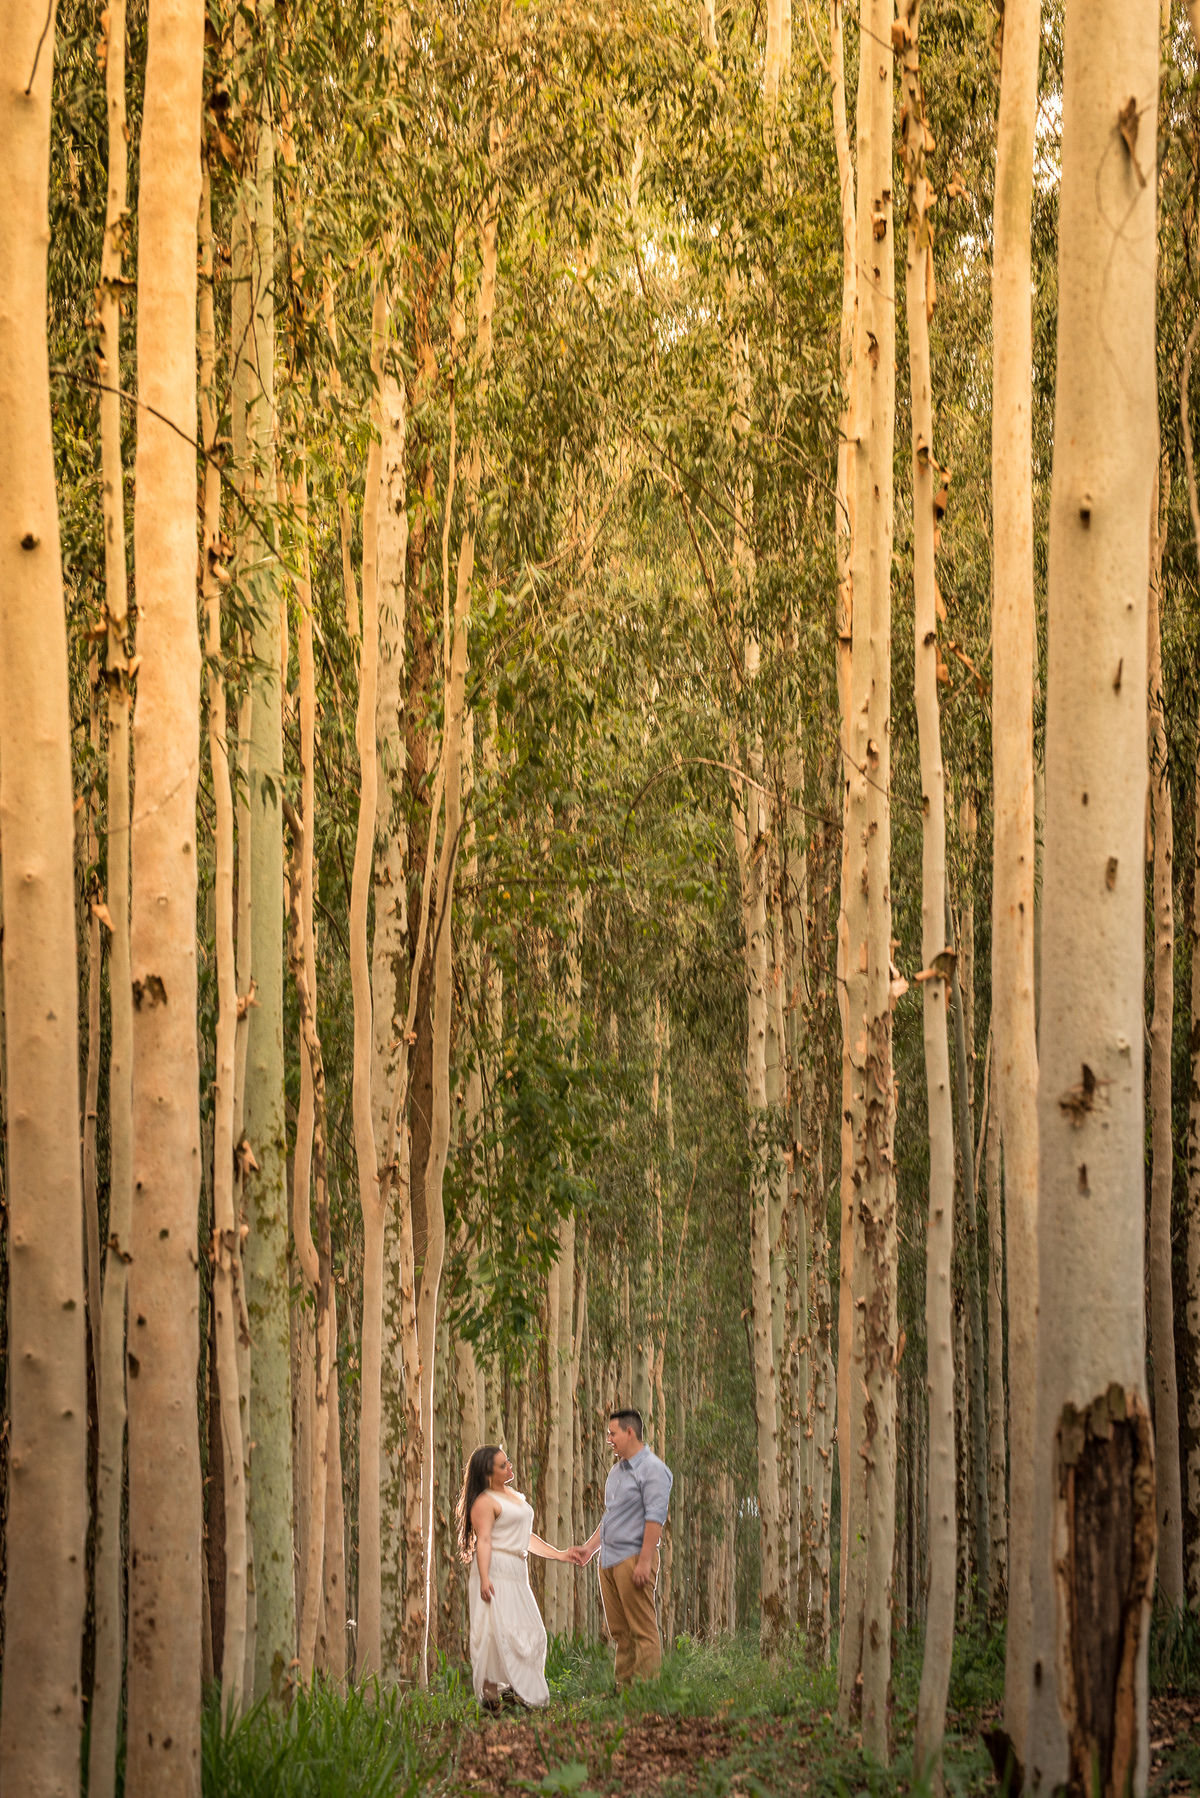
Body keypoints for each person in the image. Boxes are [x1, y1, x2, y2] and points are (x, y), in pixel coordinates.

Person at [457, 1443, 570, 1711]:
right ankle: (492, 1697)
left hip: (517, 1571)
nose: (509, 1467)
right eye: (502, 1465)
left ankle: (516, 1691)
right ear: (488, 1473)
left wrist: (560, 1554)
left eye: (507, 1462)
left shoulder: (514, 1497)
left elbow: (525, 1538)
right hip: (494, 1569)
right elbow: (483, 1540)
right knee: (494, 1632)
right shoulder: (484, 1502)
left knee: (533, 1631)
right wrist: (484, 1578)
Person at [568, 1408, 673, 1687]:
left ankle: (646, 1692)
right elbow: (610, 1516)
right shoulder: (616, 1471)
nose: (609, 1439)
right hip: (609, 1560)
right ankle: (624, 1690)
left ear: (629, 1432)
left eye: (612, 1434)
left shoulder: (653, 1469)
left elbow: (655, 1518)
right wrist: (590, 1549)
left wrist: (645, 1561)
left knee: (642, 1630)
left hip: (634, 1558)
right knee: (620, 1632)